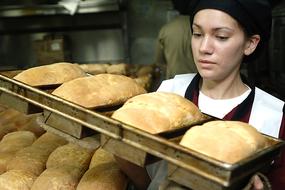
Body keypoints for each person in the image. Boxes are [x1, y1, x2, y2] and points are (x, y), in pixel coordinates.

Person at [117, 0, 285, 189]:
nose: (204, 47)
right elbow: (144, 178)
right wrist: (119, 146)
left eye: (221, 37)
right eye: (197, 34)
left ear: (250, 44)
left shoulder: (273, 117)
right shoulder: (168, 93)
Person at [154, 0, 197, 80]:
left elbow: (159, 62)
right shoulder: (200, 29)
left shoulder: (166, 30)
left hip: (173, 81)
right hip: (197, 82)